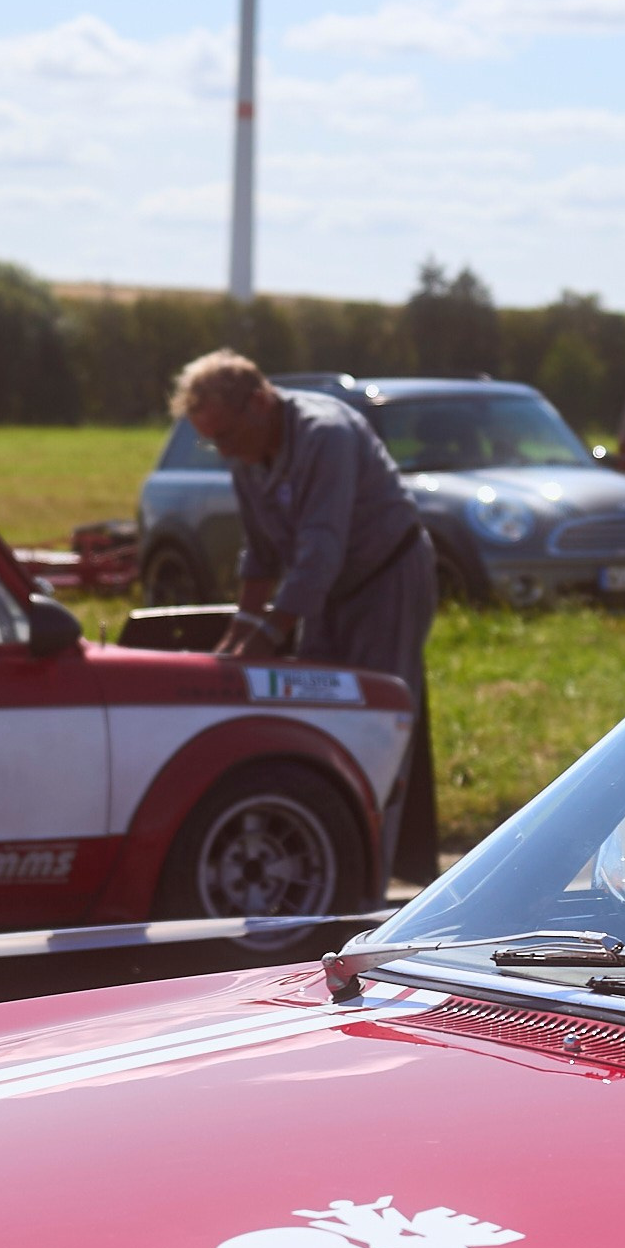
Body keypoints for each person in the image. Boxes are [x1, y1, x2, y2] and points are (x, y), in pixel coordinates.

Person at [170, 350, 438, 878]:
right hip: (326, 590)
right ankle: (327, 862)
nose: (223, 451)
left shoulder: (325, 435)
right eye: (212, 441)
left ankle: (368, 887)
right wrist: (236, 639)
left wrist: (266, 639)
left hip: (386, 580)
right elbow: (262, 554)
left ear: (260, 403)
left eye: (225, 435)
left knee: (378, 727)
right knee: (322, 717)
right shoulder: (245, 455)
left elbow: (320, 552)